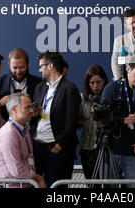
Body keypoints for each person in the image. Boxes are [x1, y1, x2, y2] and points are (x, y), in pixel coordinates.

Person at [29, 50, 81, 187]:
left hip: (56, 149)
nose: (39, 70)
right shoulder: (39, 88)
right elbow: (37, 116)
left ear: (50, 66)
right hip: (37, 148)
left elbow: (71, 121)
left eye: (41, 66)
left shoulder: (69, 89)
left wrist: (59, 145)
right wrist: (33, 114)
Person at [101, 54, 135, 187]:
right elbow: (102, 117)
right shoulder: (111, 89)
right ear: (128, 68)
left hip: (133, 151)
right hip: (111, 149)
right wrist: (122, 120)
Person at [0, 92, 46, 188]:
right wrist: (37, 178)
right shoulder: (9, 133)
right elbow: (16, 170)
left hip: (24, 184)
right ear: (14, 109)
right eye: (27, 107)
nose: (32, 111)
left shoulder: (24, 129)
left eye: (31, 107)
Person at [0, 48, 42, 120]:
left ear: (27, 64)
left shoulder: (39, 83)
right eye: (14, 68)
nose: (18, 72)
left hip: (32, 127)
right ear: (9, 65)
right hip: (6, 127)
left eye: (22, 68)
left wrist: (38, 111)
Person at [78, 64, 109, 180]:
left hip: (104, 148)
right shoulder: (82, 99)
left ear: (104, 81)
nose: (95, 86)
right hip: (86, 147)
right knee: (90, 181)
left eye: (98, 82)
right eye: (92, 83)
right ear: (88, 83)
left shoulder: (108, 98)